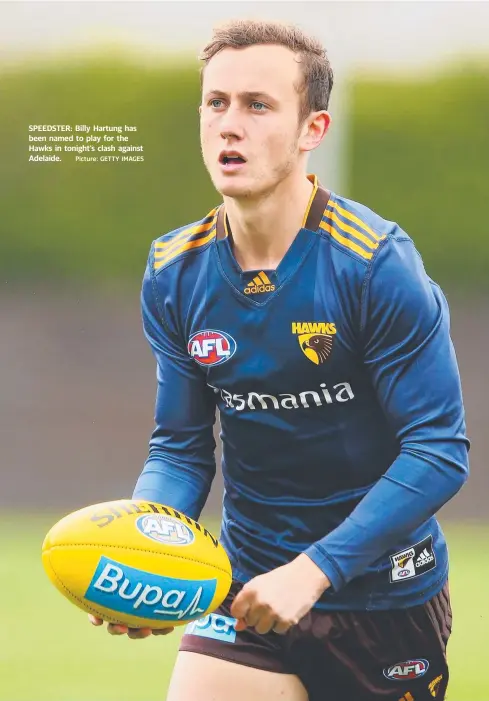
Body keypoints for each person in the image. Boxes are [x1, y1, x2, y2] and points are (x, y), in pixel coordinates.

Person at [89, 19, 469, 701]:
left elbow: (438, 451)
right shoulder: (174, 271)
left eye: (258, 105)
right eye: (217, 102)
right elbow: (179, 448)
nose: (230, 124)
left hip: (384, 602)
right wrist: (146, 554)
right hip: (248, 593)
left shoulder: (376, 265)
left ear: (311, 129)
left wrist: (315, 569)